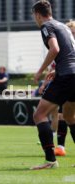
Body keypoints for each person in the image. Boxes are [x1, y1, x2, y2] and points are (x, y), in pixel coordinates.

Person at [31, 0, 75, 170]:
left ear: (37, 14)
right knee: (70, 117)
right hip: (72, 74)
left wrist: (41, 70)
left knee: (39, 115)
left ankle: (50, 160)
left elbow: (55, 49)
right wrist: (56, 71)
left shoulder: (46, 26)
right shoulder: (63, 26)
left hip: (66, 76)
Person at [54, 20, 75, 157]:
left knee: (68, 116)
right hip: (68, 81)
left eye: (73, 33)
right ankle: (60, 146)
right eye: (70, 33)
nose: (72, 35)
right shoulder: (65, 48)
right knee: (64, 115)